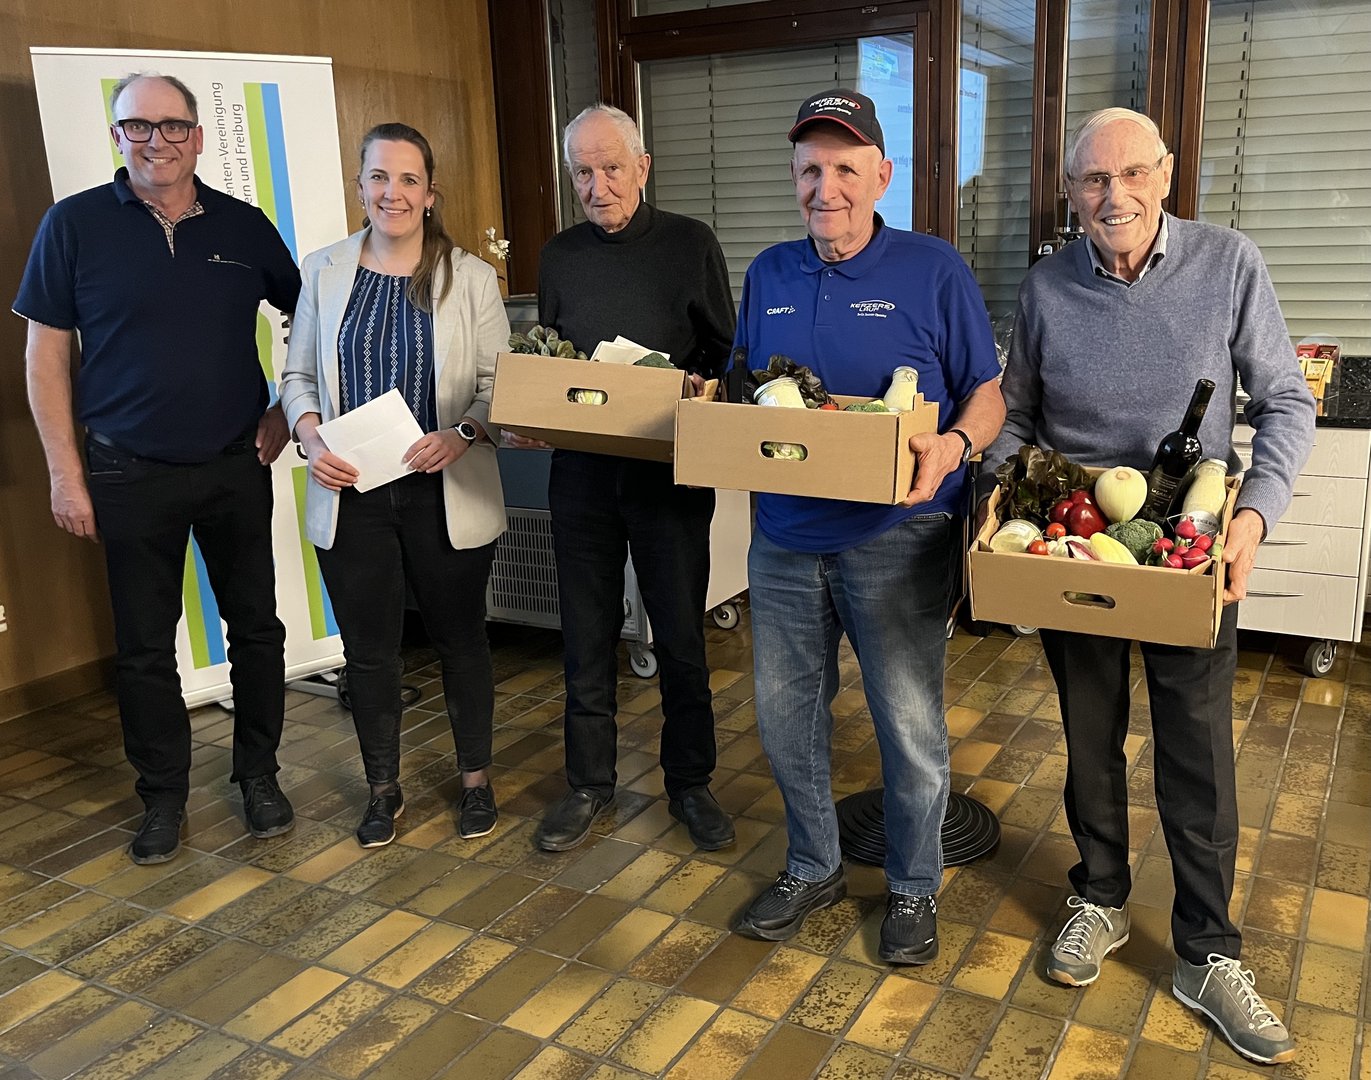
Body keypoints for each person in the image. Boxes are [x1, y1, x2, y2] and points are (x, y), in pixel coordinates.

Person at [981, 107, 1313, 1065]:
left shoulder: (1227, 264)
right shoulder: (1046, 286)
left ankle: (1207, 953)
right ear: (1070, 191)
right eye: (1092, 179)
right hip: (1075, 546)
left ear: (1164, 175)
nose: (1112, 195)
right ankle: (1099, 897)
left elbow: (1284, 400)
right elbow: (1017, 413)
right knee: (1088, 737)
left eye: (1130, 174)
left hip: (1186, 550)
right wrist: (1001, 500)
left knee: (1196, 756)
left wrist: (1253, 518)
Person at [731, 90, 1005, 962]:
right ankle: (811, 866)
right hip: (782, 537)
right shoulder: (768, 274)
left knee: (908, 724)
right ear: (793, 177)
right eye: (809, 169)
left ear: (881, 175)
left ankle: (914, 885)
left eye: (845, 168)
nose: (827, 188)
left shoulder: (932, 269)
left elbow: (987, 393)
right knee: (784, 719)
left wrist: (956, 443)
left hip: (898, 533)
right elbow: (743, 389)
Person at [15, 73, 300, 864]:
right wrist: (64, 475)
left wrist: (287, 407)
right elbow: (44, 357)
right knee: (143, 647)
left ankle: (259, 776)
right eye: (137, 126)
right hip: (126, 471)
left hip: (234, 463)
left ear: (198, 138)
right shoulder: (72, 225)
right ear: (118, 137)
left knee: (257, 630)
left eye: (172, 126)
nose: (156, 141)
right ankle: (163, 797)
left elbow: (305, 316)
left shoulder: (244, 226)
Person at [280, 123, 508, 849]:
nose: (393, 193)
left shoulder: (471, 278)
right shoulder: (323, 270)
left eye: (409, 179)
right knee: (370, 652)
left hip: (444, 486)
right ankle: (383, 789)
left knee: (461, 641)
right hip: (353, 492)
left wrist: (463, 432)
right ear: (360, 188)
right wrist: (312, 438)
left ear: (430, 194)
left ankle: (475, 781)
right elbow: (297, 376)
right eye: (379, 177)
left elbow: (497, 385)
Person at [527, 104, 737, 853]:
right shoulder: (559, 255)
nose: (597, 186)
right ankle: (588, 783)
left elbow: (724, 351)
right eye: (582, 172)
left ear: (642, 168)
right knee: (585, 637)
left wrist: (696, 386)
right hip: (580, 475)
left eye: (611, 168)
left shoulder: (689, 243)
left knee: (679, 636)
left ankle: (691, 782)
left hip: (667, 474)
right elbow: (550, 356)